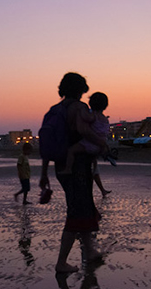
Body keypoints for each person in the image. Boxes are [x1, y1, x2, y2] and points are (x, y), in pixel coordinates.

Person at [39, 72, 107, 273]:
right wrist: (102, 142)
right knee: (76, 211)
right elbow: (83, 130)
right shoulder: (79, 107)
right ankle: (61, 263)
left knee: (82, 207)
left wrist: (44, 173)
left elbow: (47, 145)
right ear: (80, 89)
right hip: (78, 165)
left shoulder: (55, 110)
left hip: (61, 166)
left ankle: (90, 252)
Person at [61, 91, 115, 175]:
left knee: (71, 151)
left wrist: (80, 111)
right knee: (93, 158)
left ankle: (68, 169)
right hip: (100, 142)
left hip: (90, 143)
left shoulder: (94, 115)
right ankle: (105, 157)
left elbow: (86, 118)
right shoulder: (105, 118)